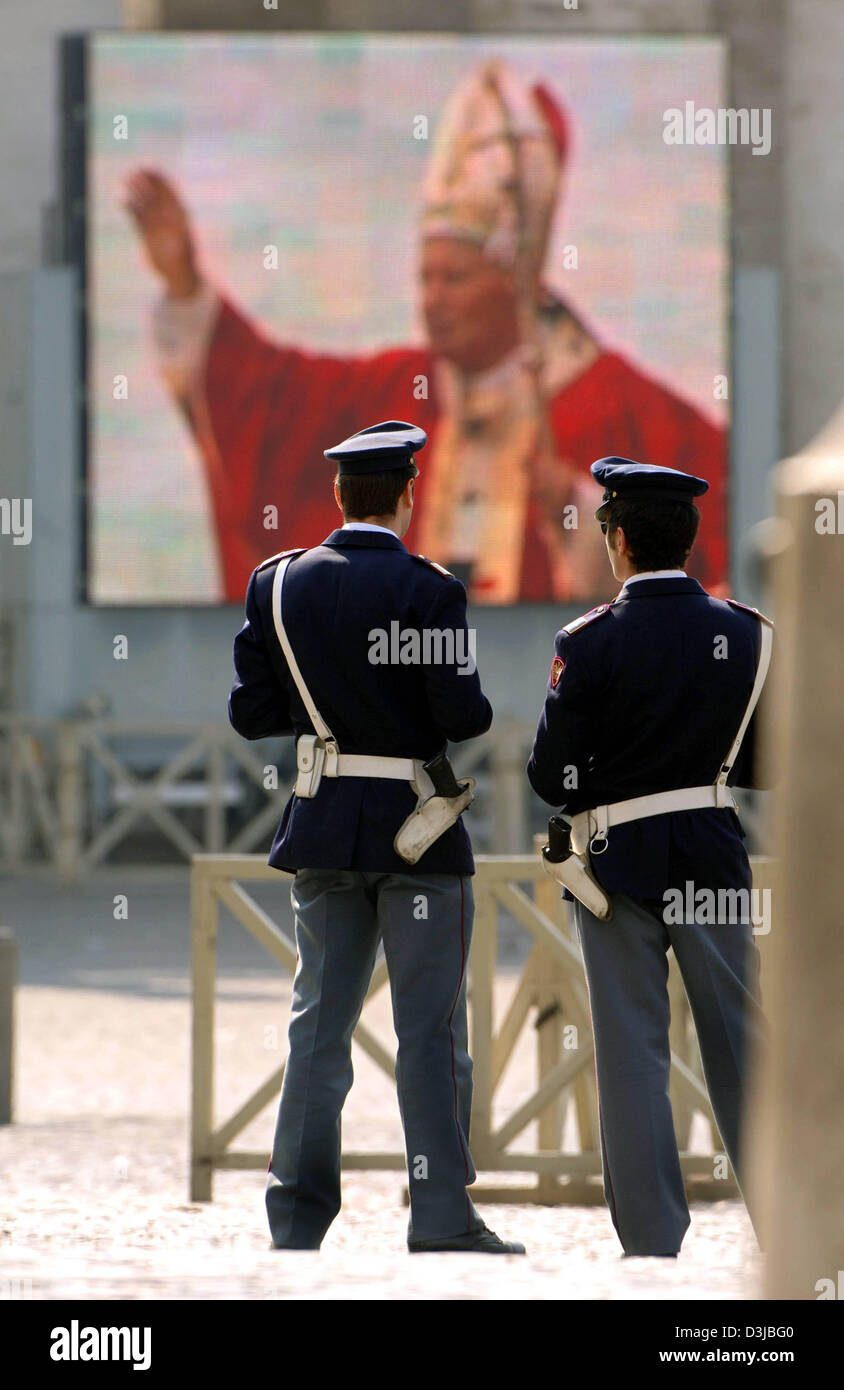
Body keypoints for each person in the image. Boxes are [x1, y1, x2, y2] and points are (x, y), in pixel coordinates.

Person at [126, 60, 727, 604]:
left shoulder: (616, 406)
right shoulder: (397, 390)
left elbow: (706, 557)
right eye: (424, 278)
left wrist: (577, 509)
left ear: (514, 285)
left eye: (455, 280)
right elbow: (267, 398)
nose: (432, 300)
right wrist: (185, 287)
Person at [228, 419, 524, 1254]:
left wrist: (330, 716)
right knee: (430, 1033)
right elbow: (463, 717)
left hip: (323, 824)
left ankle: (297, 1217)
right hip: (416, 835)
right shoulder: (431, 590)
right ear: (407, 494)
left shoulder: (278, 582)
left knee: (317, 1026)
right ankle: (439, 1216)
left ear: (336, 495)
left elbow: (250, 711)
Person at [527, 457, 771, 1258]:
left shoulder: (588, 641)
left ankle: (653, 1243)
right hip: (710, 852)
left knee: (632, 1055)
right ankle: (790, 1223)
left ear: (619, 538)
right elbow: (763, 765)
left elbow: (551, 776)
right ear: (690, 541)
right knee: (740, 1044)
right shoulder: (746, 633)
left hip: (617, 859)